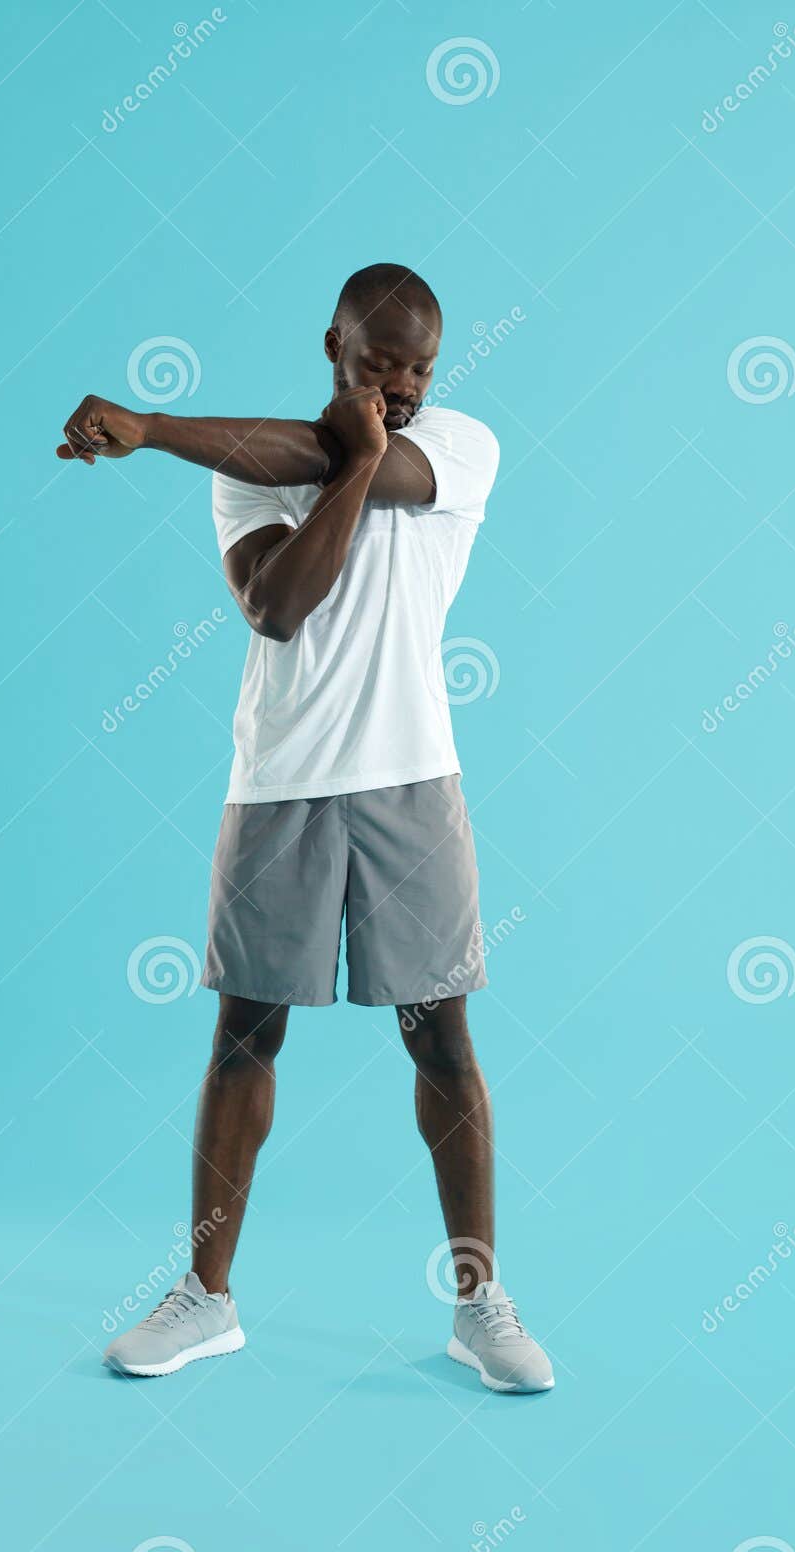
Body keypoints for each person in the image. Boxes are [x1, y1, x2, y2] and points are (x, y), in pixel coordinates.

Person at [57, 263, 554, 1393]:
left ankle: (479, 1303)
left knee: (440, 1037)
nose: (403, 383)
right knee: (243, 1037)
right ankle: (205, 1299)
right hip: (279, 780)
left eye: (420, 365)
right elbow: (280, 609)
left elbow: (341, 456)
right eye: (379, 361)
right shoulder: (242, 477)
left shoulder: (464, 445)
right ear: (331, 343)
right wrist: (348, 458)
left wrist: (154, 428)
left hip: (411, 782)